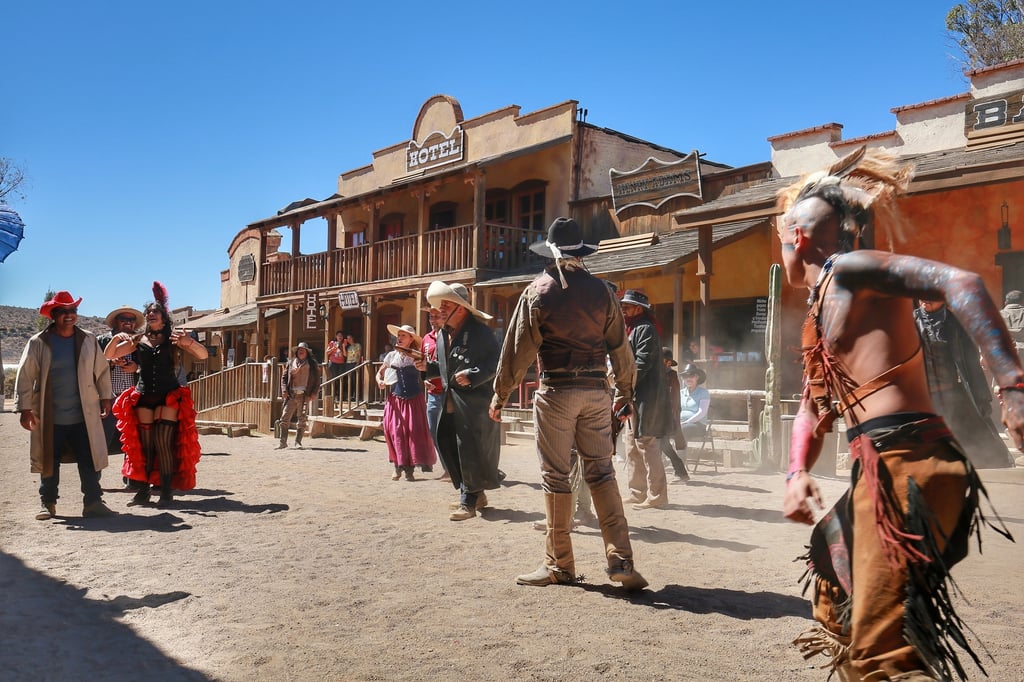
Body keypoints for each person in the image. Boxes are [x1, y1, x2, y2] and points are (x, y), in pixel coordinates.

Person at [776, 148, 1021, 680]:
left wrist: (1014, 388)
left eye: (780, 238)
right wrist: (797, 472)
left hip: (912, 466)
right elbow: (810, 408)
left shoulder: (853, 269)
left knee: (882, 654)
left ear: (796, 237)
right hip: (876, 473)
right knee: (834, 595)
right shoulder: (817, 315)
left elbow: (963, 284)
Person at [489, 217, 647, 590]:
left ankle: (559, 564)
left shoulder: (537, 291)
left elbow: (517, 350)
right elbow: (620, 348)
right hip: (596, 393)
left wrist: (500, 393)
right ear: (580, 252)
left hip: (557, 392)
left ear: (551, 254)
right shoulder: (604, 291)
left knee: (556, 476)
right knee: (602, 473)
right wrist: (625, 391)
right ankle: (620, 558)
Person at [15, 290, 116, 519]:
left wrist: (106, 397)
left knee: (89, 458)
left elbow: (101, 371)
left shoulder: (88, 339)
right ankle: (47, 503)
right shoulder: (39, 342)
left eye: (73, 311)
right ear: (53, 315)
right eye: (63, 311)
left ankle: (93, 502)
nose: (69, 315)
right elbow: (24, 376)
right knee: (49, 460)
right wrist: (24, 409)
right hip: (50, 414)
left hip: (84, 413)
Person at [106, 282, 208, 508]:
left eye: (155, 312)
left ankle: (165, 491)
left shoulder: (173, 338)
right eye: (148, 312)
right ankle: (142, 492)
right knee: (145, 445)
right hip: (143, 395)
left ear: (163, 317)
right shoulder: (138, 339)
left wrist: (188, 342)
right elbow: (110, 354)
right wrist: (115, 339)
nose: (151, 315)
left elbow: (203, 355)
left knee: (163, 443)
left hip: (168, 395)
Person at [415, 280, 502, 521]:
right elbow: (445, 368)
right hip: (450, 400)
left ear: (460, 308)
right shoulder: (444, 334)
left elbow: (497, 364)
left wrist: (474, 375)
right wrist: (427, 368)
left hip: (475, 404)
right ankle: (475, 494)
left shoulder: (481, 333)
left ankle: (469, 502)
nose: (440, 309)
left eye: (445, 305)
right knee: (454, 448)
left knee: (469, 450)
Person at [914, 299, 1013, 468]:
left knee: (976, 441)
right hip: (922, 393)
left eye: (931, 298)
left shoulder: (955, 323)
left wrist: (981, 396)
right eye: (922, 298)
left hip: (955, 392)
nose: (926, 303)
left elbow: (971, 361)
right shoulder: (911, 321)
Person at [620, 289, 672, 510]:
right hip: (634, 394)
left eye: (627, 307)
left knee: (647, 445)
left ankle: (657, 496)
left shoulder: (645, 329)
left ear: (638, 309)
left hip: (647, 396)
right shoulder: (631, 329)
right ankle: (637, 492)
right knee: (631, 445)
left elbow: (642, 363)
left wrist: (625, 385)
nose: (623, 310)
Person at [376, 324, 435, 480]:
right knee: (396, 432)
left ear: (411, 339)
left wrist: (426, 380)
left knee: (413, 433)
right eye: (399, 335)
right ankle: (397, 466)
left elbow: (425, 372)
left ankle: (410, 470)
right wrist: (380, 381)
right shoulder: (391, 356)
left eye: (404, 336)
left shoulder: (417, 355)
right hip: (395, 399)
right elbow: (380, 373)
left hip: (414, 399)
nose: (400, 338)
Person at [96, 304, 143, 456]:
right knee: (102, 440)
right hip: (108, 399)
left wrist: (137, 367)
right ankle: (94, 476)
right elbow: (91, 366)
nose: (128, 322)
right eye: (124, 319)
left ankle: (130, 478)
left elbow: (150, 367)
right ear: (116, 321)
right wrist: (111, 363)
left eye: (132, 319)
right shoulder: (102, 341)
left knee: (133, 442)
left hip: (133, 400)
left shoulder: (140, 342)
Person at [421, 306, 449, 480]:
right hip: (432, 393)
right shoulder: (426, 338)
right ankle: (447, 468)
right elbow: (424, 363)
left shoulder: (449, 336)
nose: (433, 320)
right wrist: (423, 378)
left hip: (448, 392)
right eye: (431, 317)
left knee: (449, 432)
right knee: (434, 431)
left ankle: (454, 470)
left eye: (436, 316)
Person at [277, 341, 321, 450]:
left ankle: (298, 442)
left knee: (302, 419)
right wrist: (284, 390)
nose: (301, 352)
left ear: (307, 352)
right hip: (291, 394)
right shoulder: (291, 362)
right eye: (299, 350)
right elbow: (284, 378)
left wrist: (314, 393)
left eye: (303, 350)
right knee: (284, 417)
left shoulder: (312, 364)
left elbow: (316, 380)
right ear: (297, 352)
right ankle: (283, 442)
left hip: (304, 395)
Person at [659, 347, 690, 483]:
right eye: (666, 361)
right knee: (661, 444)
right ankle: (679, 472)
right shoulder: (656, 375)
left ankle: (680, 472)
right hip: (659, 414)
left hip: (666, 415)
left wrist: (673, 416)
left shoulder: (671, 376)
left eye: (669, 362)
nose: (668, 364)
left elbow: (675, 398)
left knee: (663, 443)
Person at [677, 362, 711, 460]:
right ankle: (664, 459)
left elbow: (702, 412)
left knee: (681, 431)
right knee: (662, 429)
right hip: (681, 423)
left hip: (698, 425)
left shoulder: (703, 393)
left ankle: (680, 462)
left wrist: (686, 422)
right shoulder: (680, 393)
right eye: (685, 376)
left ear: (697, 377)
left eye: (691, 376)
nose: (688, 378)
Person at [342, 333, 362, 399]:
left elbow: (359, 355)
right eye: (347, 339)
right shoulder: (348, 347)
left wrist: (358, 363)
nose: (349, 340)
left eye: (350, 338)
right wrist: (344, 347)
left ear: (352, 338)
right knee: (349, 380)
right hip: (348, 364)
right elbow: (345, 355)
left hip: (354, 363)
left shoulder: (357, 345)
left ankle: (355, 395)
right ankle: (350, 395)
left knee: (355, 380)